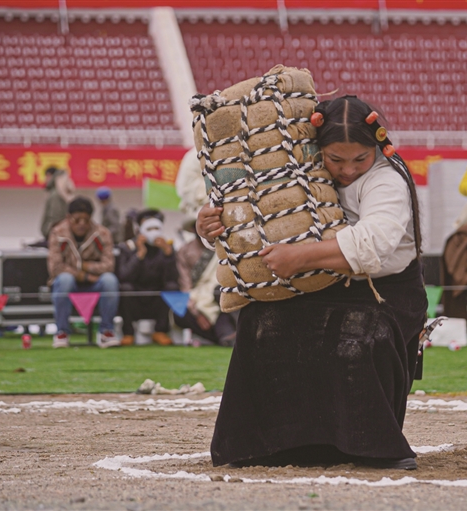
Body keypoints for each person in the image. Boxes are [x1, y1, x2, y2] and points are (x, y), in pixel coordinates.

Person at [197, 96, 427, 470]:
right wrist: (209, 226)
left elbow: (373, 244)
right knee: (260, 321)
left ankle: (372, 445)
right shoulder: (296, 169)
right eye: (336, 159)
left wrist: (300, 257)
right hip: (318, 285)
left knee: (361, 333)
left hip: (385, 293)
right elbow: (253, 221)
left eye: (360, 159)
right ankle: (266, 445)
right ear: (318, 149)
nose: (348, 170)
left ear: (377, 147)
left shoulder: (386, 179)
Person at [48, 196, 119, 349]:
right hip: (69, 284)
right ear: (68, 217)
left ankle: (106, 331)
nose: (82, 224)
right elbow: (55, 267)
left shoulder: (102, 233)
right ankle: (62, 332)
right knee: (64, 279)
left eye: (86, 220)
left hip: (95, 283)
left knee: (110, 280)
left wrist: (83, 266)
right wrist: (83, 275)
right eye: (77, 220)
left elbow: (109, 265)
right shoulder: (57, 233)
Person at [116, 209, 179, 346]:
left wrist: (168, 255)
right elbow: (123, 276)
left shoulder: (167, 248)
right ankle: (128, 333)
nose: (153, 231)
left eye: (156, 227)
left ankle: (160, 331)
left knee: (172, 287)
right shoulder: (127, 247)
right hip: (135, 299)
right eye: (149, 227)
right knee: (125, 288)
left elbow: (172, 278)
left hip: (157, 299)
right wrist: (139, 255)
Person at [174, 219, 237, 347]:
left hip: (222, 291)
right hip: (198, 298)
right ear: (193, 229)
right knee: (179, 313)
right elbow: (185, 286)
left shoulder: (224, 244)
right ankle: (226, 337)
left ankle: (232, 334)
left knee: (221, 294)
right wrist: (196, 313)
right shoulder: (184, 251)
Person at [40, 167, 75, 239]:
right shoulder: (60, 192)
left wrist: (49, 231)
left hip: (55, 234)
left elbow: (55, 217)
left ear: (50, 176)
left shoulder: (55, 195)